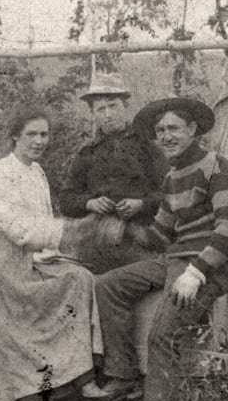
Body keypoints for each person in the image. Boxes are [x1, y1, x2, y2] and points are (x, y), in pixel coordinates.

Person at [0, 106, 120, 401]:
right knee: (20, 323)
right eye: (31, 134)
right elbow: (16, 228)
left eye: (44, 134)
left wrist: (65, 248)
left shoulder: (38, 173)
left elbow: (42, 226)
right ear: (15, 136)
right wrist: (74, 230)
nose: (39, 141)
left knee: (80, 279)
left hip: (31, 257)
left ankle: (81, 378)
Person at [93, 97, 228, 401]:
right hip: (176, 258)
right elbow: (160, 238)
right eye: (160, 130)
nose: (166, 136)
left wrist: (195, 273)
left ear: (192, 130)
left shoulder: (215, 166)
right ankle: (121, 373)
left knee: (162, 335)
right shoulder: (171, 177)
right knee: (108, 286)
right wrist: (125, 229)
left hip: (214, 265)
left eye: (174, 128)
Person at [57, 71, 168, 274]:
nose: (108, 114)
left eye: (113, 106)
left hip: (141, 239)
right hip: (96, 241)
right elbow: (65, 200)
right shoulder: (87, 153)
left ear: (125, 106)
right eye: (101, 109)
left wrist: (142, 204)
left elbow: (170, 194)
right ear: (93, 114)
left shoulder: (148, 148)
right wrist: (89, 203)